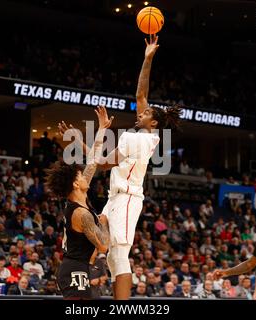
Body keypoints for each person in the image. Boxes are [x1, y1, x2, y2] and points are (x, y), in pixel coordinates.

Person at [60, 35, 181, 300]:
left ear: (155, 123)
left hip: (127, 199)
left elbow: (101, 165)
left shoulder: (137, 139)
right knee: (112, 259)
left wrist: (81, 141)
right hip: (116, 199)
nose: (141, 113)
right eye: (142, 111)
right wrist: (147, 58)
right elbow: (141, 93)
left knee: (119, 257)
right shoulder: (143, 135)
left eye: (146, 114)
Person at [49, 106, 112, 300]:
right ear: (76, 183)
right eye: (80, 174)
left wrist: (102, 128)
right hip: (74, 270)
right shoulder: (81, 214)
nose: (86, 175)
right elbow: (103, 246)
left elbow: (93, 162)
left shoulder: (79, 201)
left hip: (78, 267)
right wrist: (104, 223)